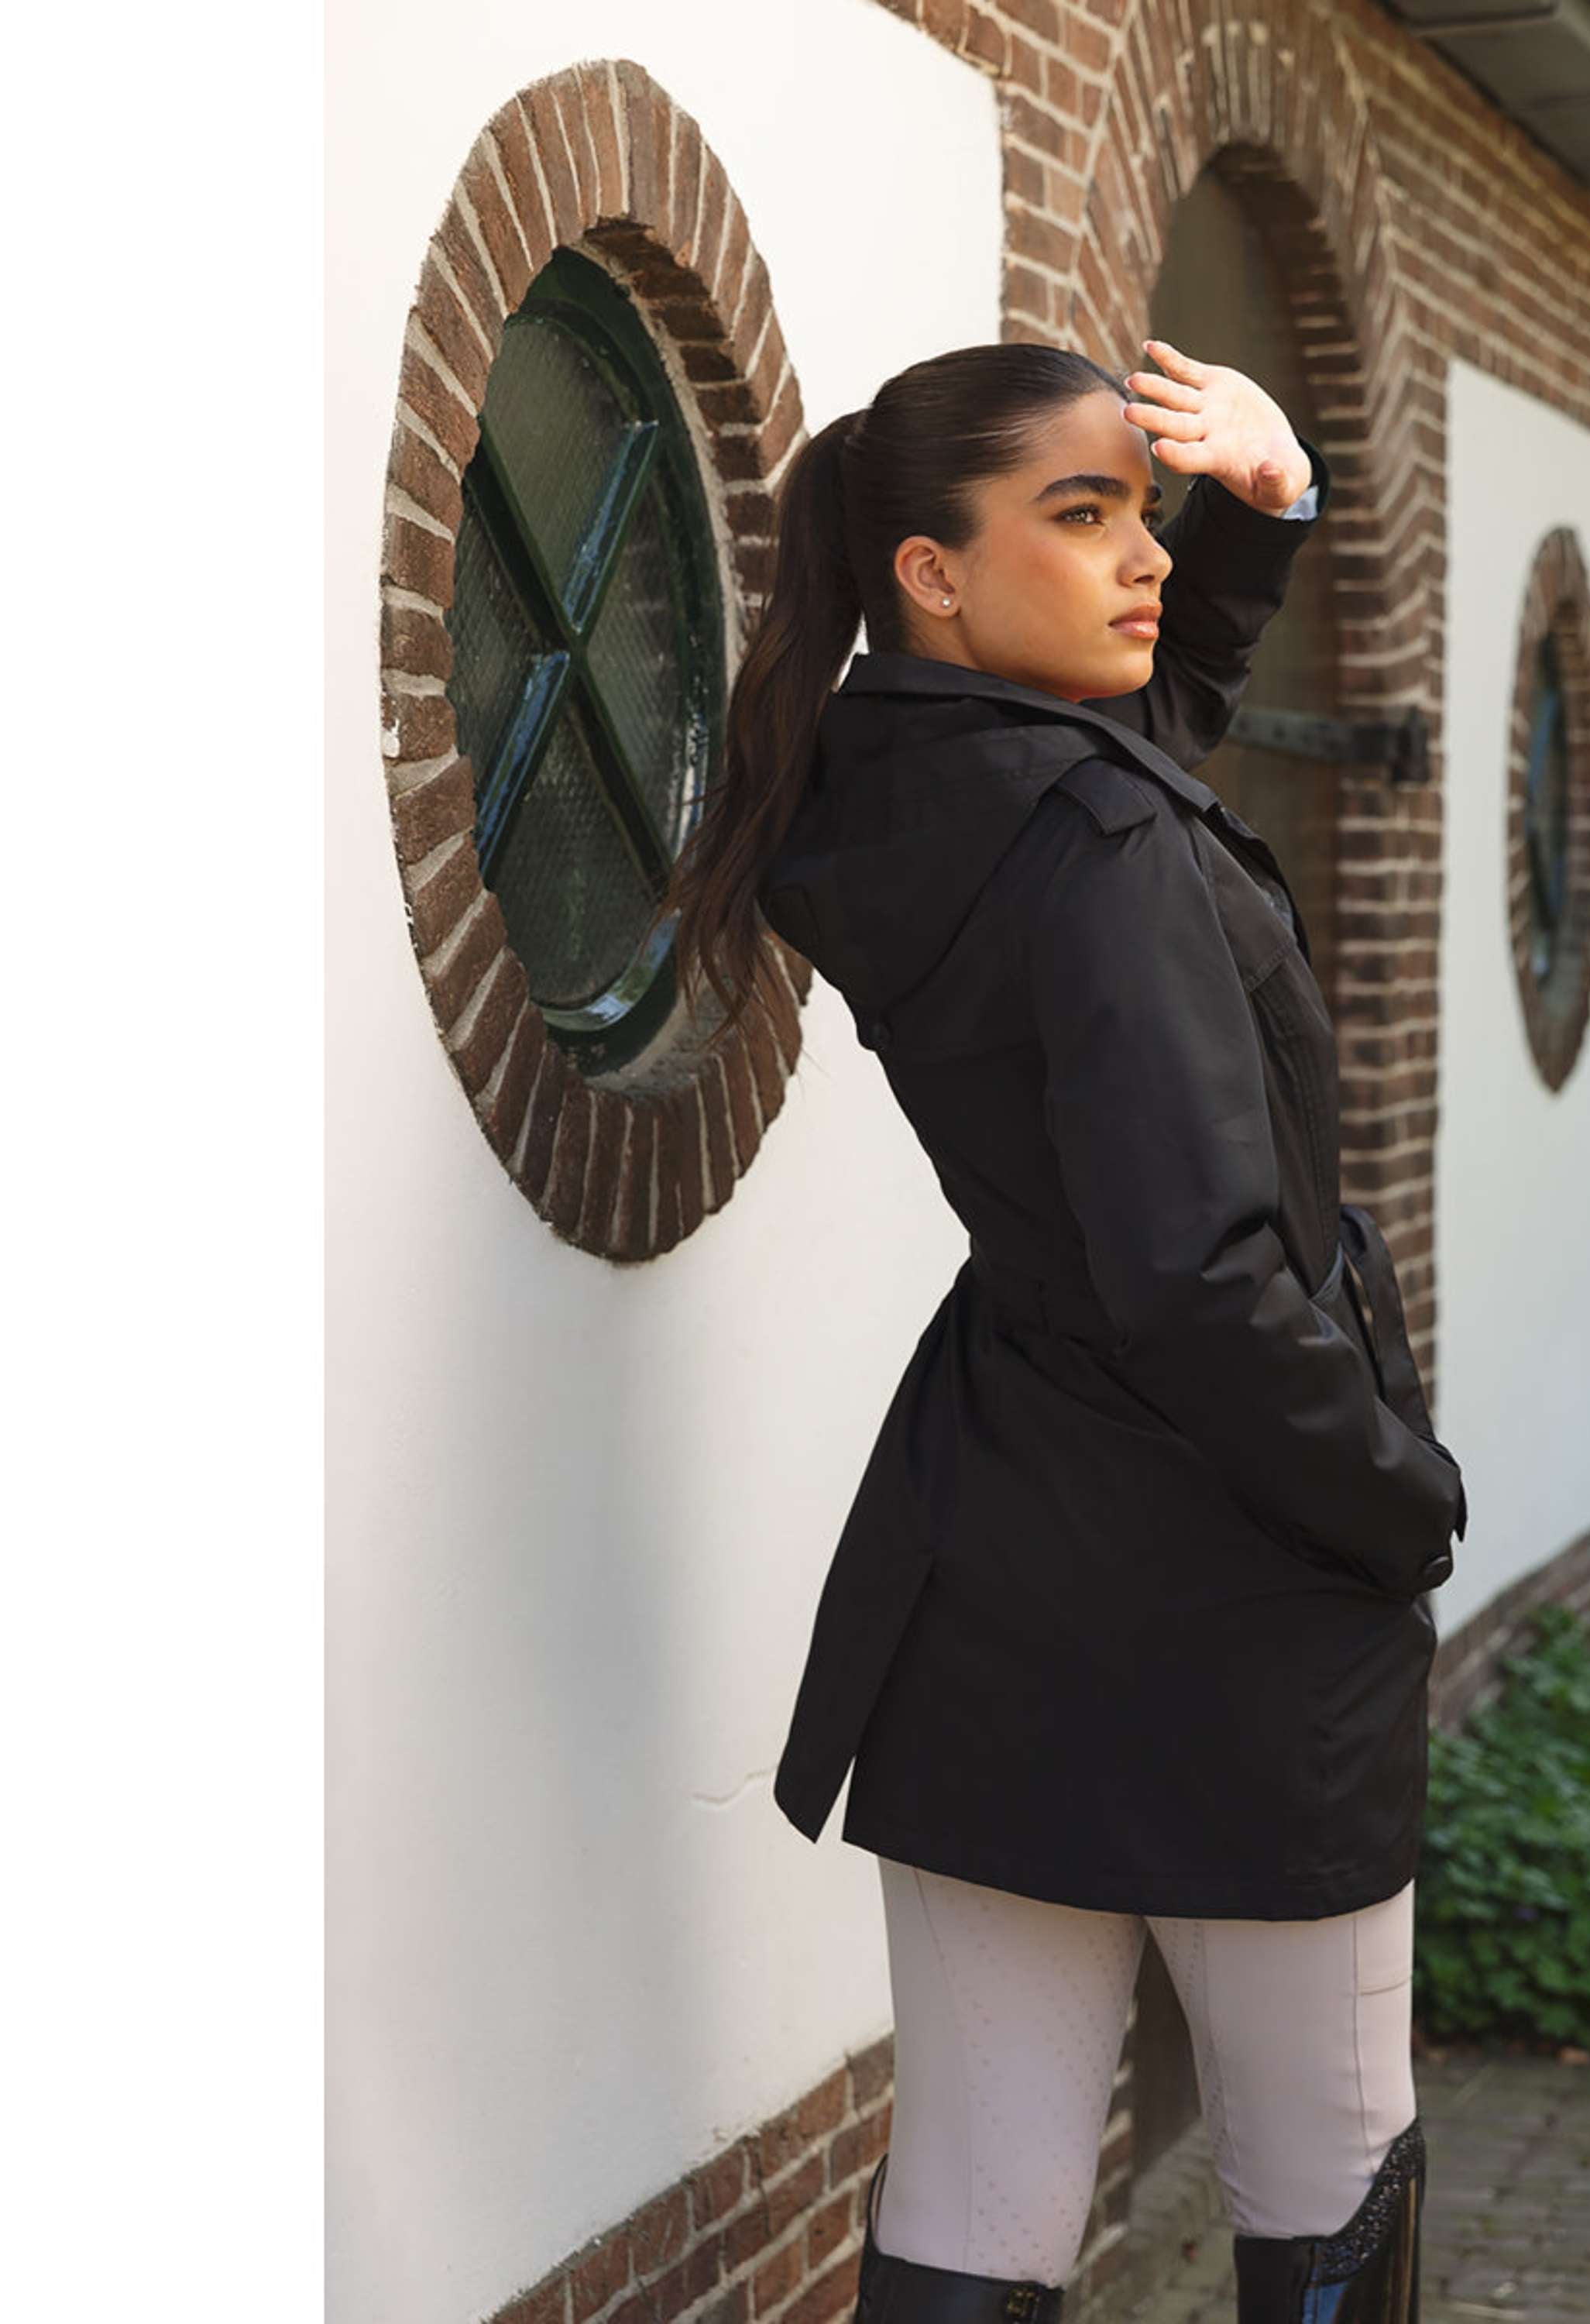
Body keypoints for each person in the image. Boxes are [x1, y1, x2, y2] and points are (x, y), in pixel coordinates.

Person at [660, 337, 1468, 2324]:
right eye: (1086, 514)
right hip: (1240, 1578)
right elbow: (1197, 1279)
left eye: (1143, 512)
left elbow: (1138, 745)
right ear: (934, 572)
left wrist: (1261, 512)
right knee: (1331, 2178)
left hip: (992, 1565)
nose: (1146, 558)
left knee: (975, 2195)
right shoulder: (1098, 847)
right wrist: (1396, 1499)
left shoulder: (887, 785)